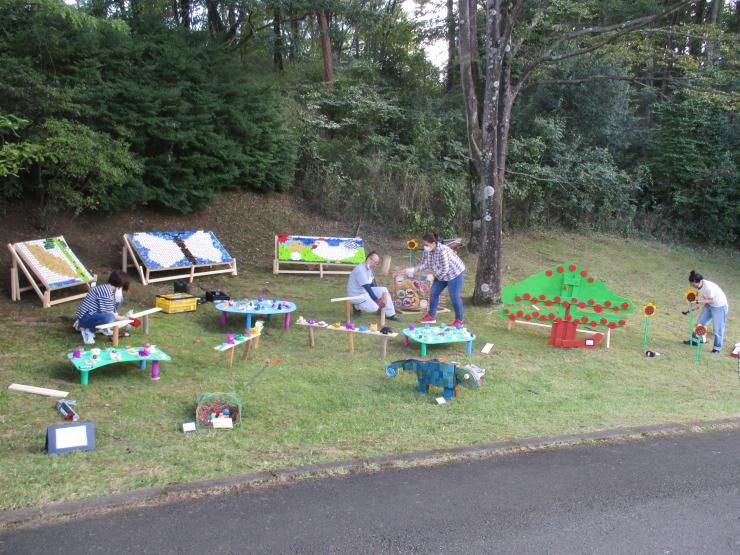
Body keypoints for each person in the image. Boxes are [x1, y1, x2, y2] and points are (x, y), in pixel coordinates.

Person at [407, 232, 465, 326]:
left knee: (454, 296)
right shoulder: (428, 251)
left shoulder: (442, 251)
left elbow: (445, 269)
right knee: (433, 292)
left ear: (433, 243)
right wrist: (414, 269)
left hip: (455, 274)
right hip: (441, 274)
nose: (425, 247)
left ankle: (459, 321)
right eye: (424, 244)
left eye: (427, 245)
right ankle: (431, 317)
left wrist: (436, 276)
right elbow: (424, 263)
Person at [73, 270, 132, 344]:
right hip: (84, 318)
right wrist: (124, 319)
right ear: (120, 284)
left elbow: (111, 309)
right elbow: (110, 314)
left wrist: (118, 301)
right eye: (123, 286)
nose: (122, 289)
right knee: (109, 317)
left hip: (94, 314)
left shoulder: (110, 289)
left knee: (119, 299)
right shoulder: (105, 292)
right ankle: (88, 330)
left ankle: (103, 328)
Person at [683, 270, 729, 353]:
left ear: (698, 281)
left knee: (718, 329)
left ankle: (717, 348)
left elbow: (711, 300)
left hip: (719, 307)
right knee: (700, 323)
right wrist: (689, 310)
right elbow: (701, 302)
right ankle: (695, 341)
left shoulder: (708, 287)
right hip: (709, 305)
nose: (692, 286)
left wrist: (698, 302)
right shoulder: (699, 287)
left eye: (693, 284)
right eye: (691, 284)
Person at [347, 251, 400, 321]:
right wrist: (377, 300)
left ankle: (390, 314)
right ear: (369, 259)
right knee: (374, 307)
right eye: (375, 263)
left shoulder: (369, 269)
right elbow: (368, 288)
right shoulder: (360, 270)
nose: (375, 265)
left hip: (363, 291)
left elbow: (371, 284)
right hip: (355, 295)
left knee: (384, 290)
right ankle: (356, 306)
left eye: (377, 263)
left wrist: (380, 295)